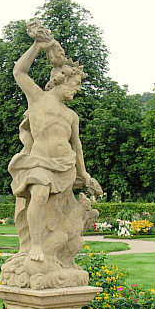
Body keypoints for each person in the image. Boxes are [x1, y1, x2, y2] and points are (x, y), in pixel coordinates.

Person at [10, 33, 101, 262]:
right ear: (62, 79)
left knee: (57, 214)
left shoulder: (71, 116)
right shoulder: (38, 99)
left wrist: (84, 174)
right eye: (77, 84)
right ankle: (35, 246)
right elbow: (19, 73)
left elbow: (77, 145)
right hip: (39, 162)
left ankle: (56, 256)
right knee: (39, 194)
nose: (78, 90)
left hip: (65, 167)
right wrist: (36, 47)